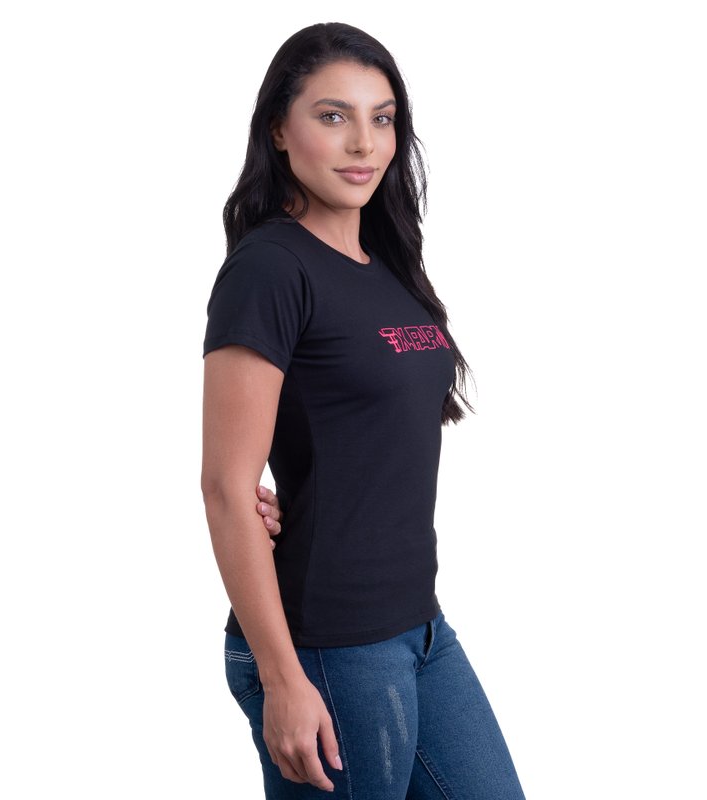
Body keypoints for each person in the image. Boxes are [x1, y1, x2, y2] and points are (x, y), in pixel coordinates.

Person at [200, 22, 526, 799]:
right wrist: (282, 679)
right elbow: (225, 486)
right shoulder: (270, 268)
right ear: (278, 129)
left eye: (382, 119)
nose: (363, 143)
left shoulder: (388, 266)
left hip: (418, 627)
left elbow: (366, 434)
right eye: (332, 115)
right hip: (326, 642)